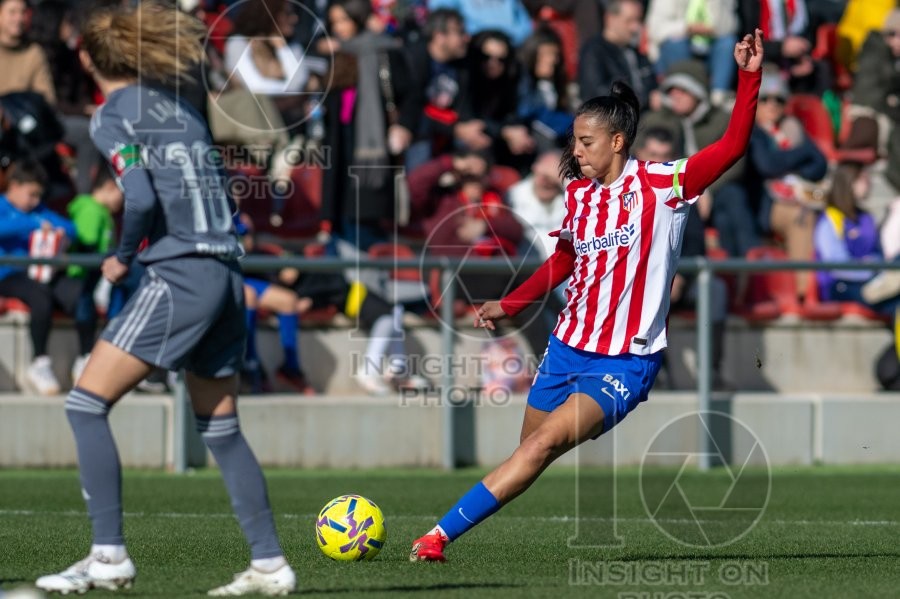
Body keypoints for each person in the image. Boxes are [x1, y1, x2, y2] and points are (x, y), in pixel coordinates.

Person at [409, 29, 764, 562]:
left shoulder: (664, 185)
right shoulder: (579, 193)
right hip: (566, 346)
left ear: (618, 141)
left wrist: (748, 76)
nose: (574, 151)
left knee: (541, 445)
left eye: (585, 142)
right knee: (531, 450)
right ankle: (453, 530)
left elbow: (733, 146)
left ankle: (435, 538)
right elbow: (565, 260)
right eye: (574, 141)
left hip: (625, 360)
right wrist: (511, 303)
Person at [35, 3, 296, 596]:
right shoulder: (180, 108)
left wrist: (124, 256)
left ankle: (107, 557)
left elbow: (141, 197)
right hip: (226, 270)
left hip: (182, 272)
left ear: (87, 58)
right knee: (221, 428)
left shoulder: (111, 115)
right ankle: (269, 564)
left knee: (84, 405)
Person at [0, 159, 77, 395]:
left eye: (38, 196)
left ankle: (86, 356)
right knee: (39, 294)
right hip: (8, 276)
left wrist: (57, 231)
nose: (35, 201)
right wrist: (31, 224)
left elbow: (71, 228)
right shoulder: (9, 209)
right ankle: (39, 362)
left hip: (40, 274)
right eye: (31, 194)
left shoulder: (39, 211)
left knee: (75, 293)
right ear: (14, 186)